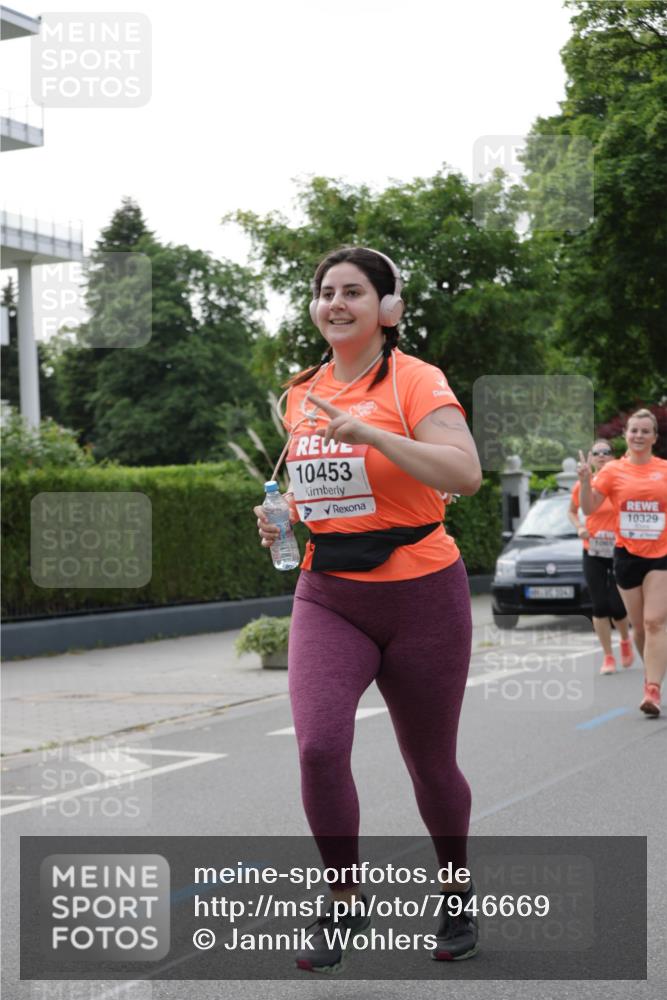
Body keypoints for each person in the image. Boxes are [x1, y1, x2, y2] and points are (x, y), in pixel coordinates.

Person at [253, 246, 483, 972]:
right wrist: (285, 515)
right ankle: (345, 898)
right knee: (318, 747)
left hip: (422, 593)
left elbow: (465, 474)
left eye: (354, 291)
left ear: (389, 309)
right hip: (329, 594)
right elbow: (329, 491)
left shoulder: (416, 381)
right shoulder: (301, 393)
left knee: (430, 763)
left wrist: (375, 432)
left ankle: (454, 891)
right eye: (325, 292)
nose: (336, 303)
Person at [578, 409, 667, 716]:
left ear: (654, 437)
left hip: (661, 555)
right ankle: (650, 671)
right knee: (640, 627)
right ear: (626, 435)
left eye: (645, 431)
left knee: (656, 621)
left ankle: (652, 690)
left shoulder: (664, 470)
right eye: (634, 431)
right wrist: (586, 481)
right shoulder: (613, 471)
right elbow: (588, 508)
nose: (639, 436)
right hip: (627, 555)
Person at [568, 440, 634, 674]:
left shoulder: (620, 483)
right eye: (597, 453)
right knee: (599, 604)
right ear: (591, 458)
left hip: (618, 548)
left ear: (613, 456)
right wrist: (579, 527)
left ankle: (625, 640)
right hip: (593, 549)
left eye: (607, 452)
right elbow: (572, 511)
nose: (602, 456)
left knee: (617, 605)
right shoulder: (584, 485)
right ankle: (608, 656)